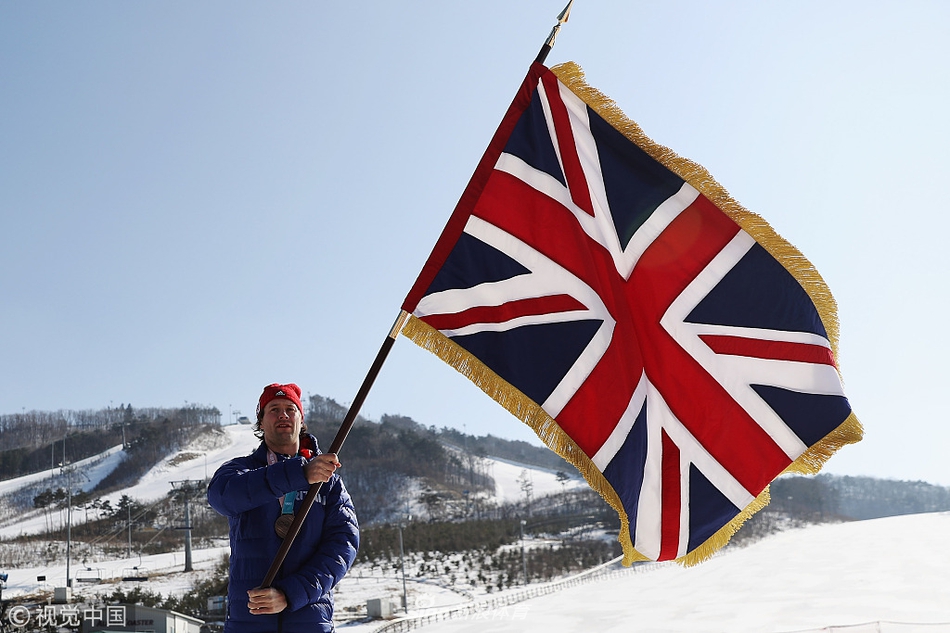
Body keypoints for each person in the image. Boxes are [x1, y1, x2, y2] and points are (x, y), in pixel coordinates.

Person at [208, 383, 359, 633]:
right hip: (249, 622)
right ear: (261, 422)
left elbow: (343, 547)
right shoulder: (240, 471)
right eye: (274, 409)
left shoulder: (329, 483)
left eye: (291, 409)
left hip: (310, 620)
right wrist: (299, 474)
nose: (283, 414)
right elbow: (221, 497)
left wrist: (290, 594)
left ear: (301, 420)